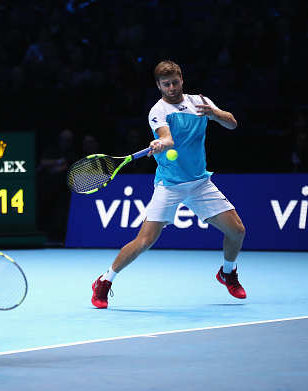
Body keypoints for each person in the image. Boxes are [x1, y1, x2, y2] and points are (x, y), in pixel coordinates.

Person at [91, 60, 246, 309]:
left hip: (199, 182)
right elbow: (167, 137)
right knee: (144, 242)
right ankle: (104, 281)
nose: (172, 87)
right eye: (166, 84)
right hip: (170, 184)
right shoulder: (158, 111)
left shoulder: (200, 101)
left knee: (237, 230)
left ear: (182, 79)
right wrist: (161, 143)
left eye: (175, 82)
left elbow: (232, 123)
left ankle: (228, 272)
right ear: (158, 85)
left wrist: (214, 113)